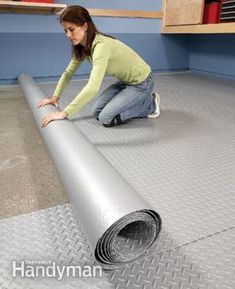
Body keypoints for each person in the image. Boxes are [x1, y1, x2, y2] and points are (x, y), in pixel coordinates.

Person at [37, 5, 160, 128]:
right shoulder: (82, 46)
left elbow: (92, 88)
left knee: (106, 118)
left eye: (71, 29)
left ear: (85, 26)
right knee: (96, 112)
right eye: (65, 31)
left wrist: (64, 113)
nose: (68, 35)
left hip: (142, 83)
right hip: (124, 82)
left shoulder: (101, 46)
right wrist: (55, 97)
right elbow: (68, 74)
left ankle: (150, 104)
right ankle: (136, 100)